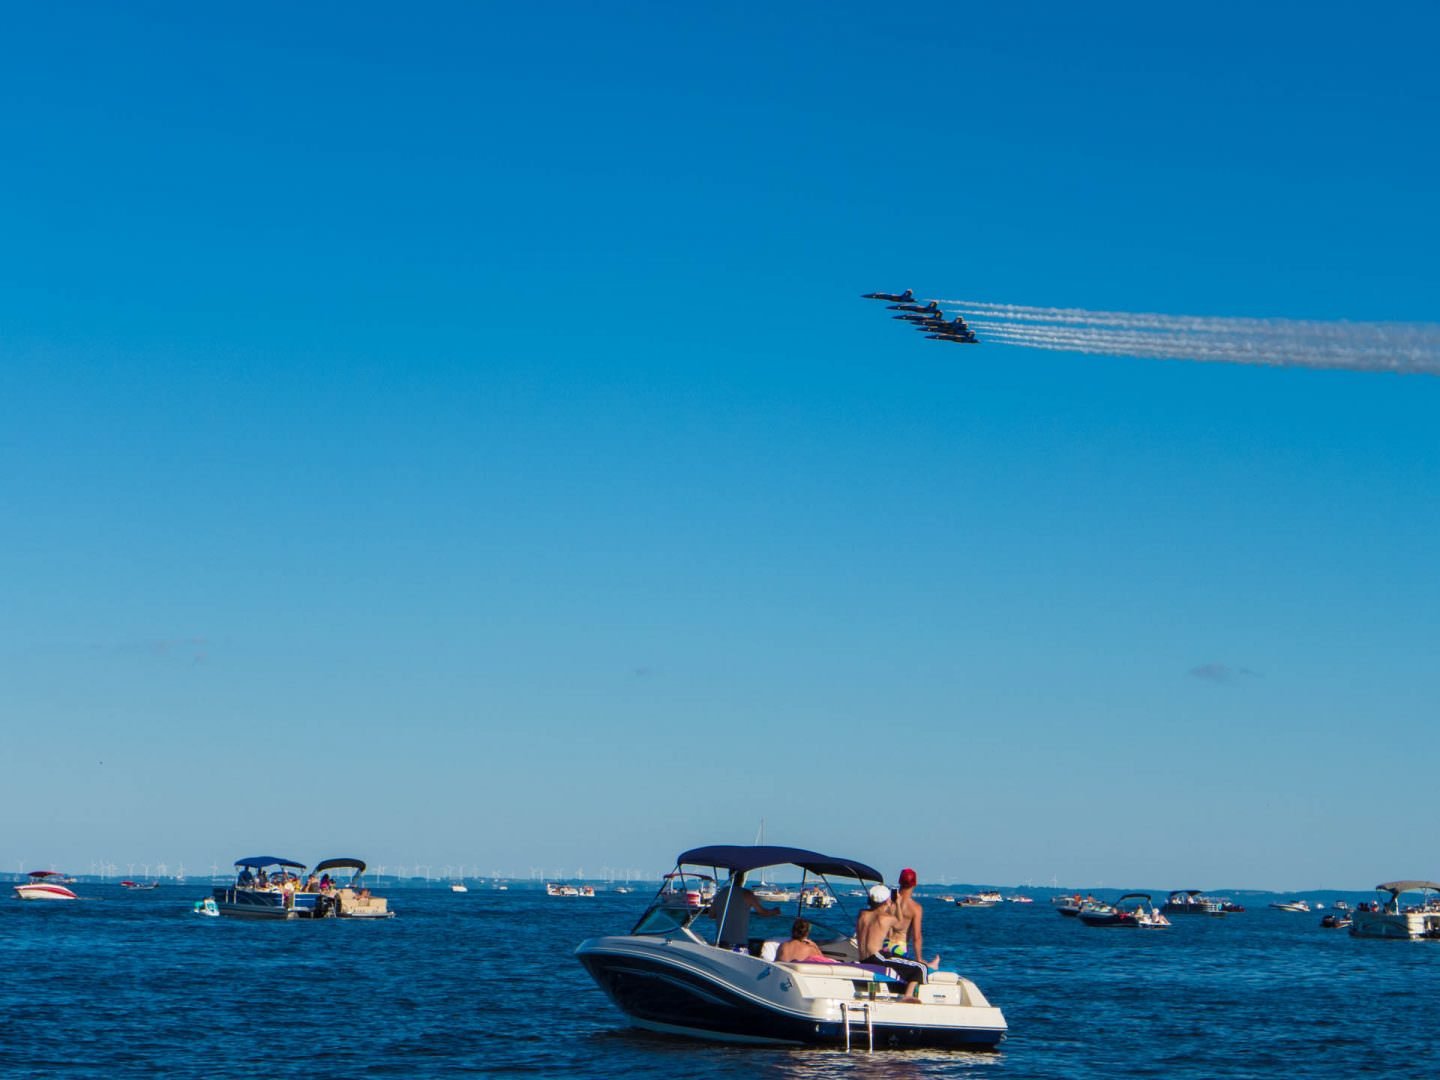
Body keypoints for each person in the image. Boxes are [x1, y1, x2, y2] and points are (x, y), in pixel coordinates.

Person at [856, 884, 930, 1003]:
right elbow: (900, 924)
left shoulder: (862, 914)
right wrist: (898, 904)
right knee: (920, 967)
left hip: (863, 958)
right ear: (887, 901)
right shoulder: (885, 918)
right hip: (877, 958)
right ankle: (908, 995)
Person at [710, 871, 782, 949]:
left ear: (730, 877)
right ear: (742, 878)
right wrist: (775, 911)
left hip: (721, 943)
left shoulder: (720, 893)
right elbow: (763, 912)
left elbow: (711, 915)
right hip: (739, 944)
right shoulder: (747, 894)